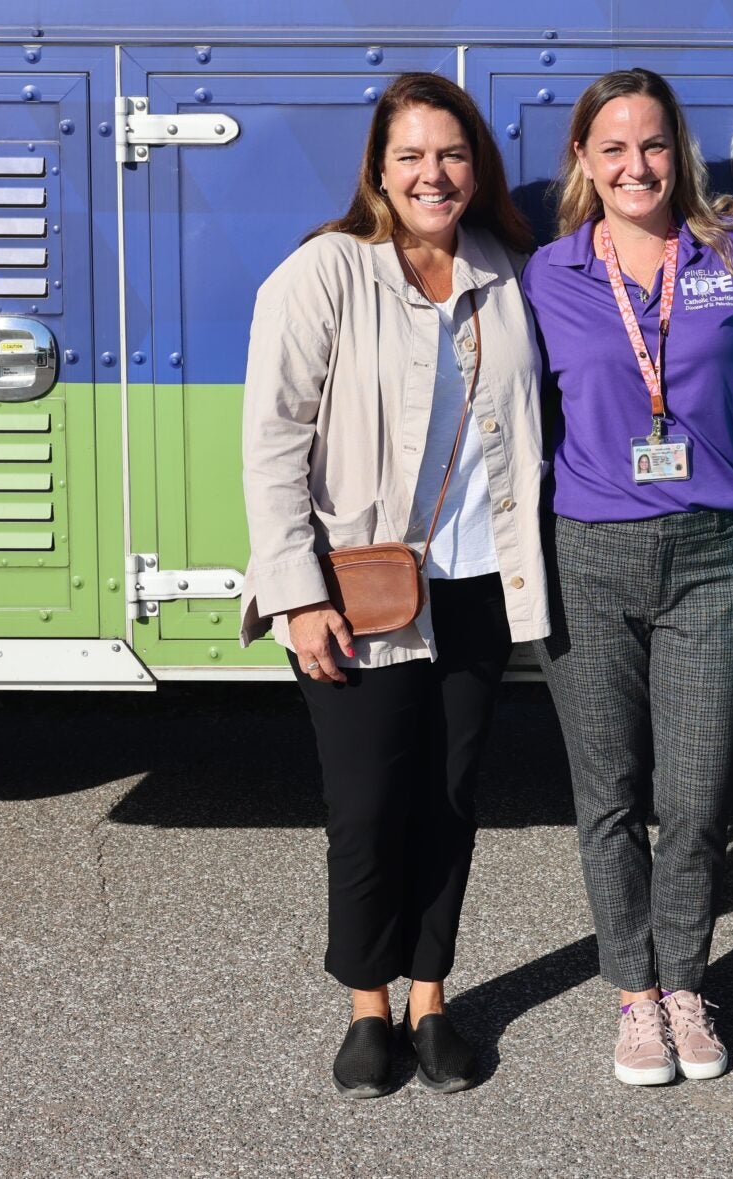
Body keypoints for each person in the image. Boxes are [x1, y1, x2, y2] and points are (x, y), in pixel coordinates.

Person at [239, 73, 552, 1098]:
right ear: (378, 168)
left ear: (478, 169)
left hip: (472, 587)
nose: (433, 173)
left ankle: (431, 998)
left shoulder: (507, 271)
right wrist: (295, 590)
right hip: (357, 592)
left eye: (452, 155)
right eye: (411, 155)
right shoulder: (325, 273)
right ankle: (366, 1007)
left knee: (448, 800)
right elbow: (273, 440)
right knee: (368, 805)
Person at [523, 69, 733, 1086]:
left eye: (653, 145)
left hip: (716, 557)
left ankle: (685, 980)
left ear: (676, 152)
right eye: (613, 148)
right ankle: (633, 996)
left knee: (694, 795)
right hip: (587, 556)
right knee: (609, 793)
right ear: (586, 163)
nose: (635, 166)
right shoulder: (547, 274)